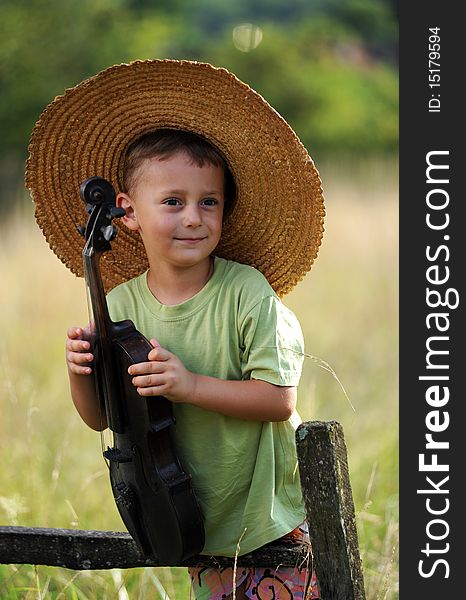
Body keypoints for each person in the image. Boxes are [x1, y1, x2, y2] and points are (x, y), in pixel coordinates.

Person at [26, 60, 325, 599]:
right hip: (186, 511)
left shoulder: (246, 293)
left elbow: (279, 400)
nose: (194, 217)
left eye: (208, 201)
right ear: (127, 211)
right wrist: (79, 373)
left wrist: (187, 386)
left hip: (266, 520)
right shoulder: (119, 304)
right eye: (172, 202)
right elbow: (104, 419)